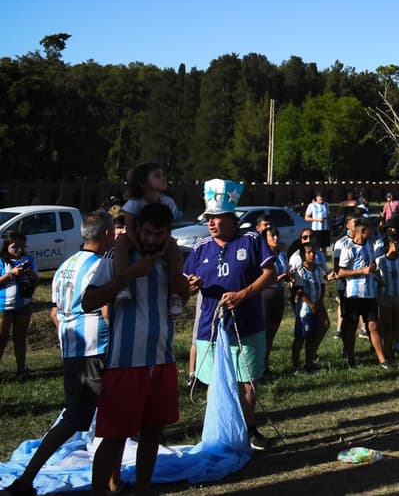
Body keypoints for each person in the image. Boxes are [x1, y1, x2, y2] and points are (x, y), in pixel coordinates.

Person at [4, 213, 122, 496]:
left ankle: (26, 479)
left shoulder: (64, 266)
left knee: (72, 418)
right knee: (113, 419)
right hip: (97, 349)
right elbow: (106, 310)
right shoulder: (102, 266)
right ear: (106, 234)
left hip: (72, 350)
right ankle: (110, 484)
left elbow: (55, 312)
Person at [82, 202, 180, 496]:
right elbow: (88, 302)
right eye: (147, 233)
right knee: (114, 436)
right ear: (138, 230)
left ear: (167, 234)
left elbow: (178, 302)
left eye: (158, 234)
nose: (151, 240)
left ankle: (142, 489)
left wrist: (186, 288)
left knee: (153, 431)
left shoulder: (170, 261)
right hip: (125, 364)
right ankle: (100, 491)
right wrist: (127, 277)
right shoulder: (116, 259)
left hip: (163, 359)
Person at [182, 179, 278, 452]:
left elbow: (269, 274)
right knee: (214, 382)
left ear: (230, 217)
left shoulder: (251, 241)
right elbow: (183, 284)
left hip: (245, 325)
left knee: (245, 381)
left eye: (216, 218)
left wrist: (243, 294)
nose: (211, 223)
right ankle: (216, 434)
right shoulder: (200, 247)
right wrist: (189, 287)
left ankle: (248, 431)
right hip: (209, 328)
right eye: (208, 218)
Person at [113, 163, 187, 318]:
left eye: (163, 175)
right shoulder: (134, 203)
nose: (163, 178)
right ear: (143, 183)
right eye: (157, 176)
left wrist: (162, 249)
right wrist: (139, 249)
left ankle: (175, 295)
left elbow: (168, 230)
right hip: (135, 238)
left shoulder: (168, 203)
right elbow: (131, 229)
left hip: (161, 239)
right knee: (121, 242)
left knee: (175, 249)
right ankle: (122, 283)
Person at [334, 217, 391, 369]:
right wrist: (361, 271)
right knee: (351, 328)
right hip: (353, 295)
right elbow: (339, 272)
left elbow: (371, 267)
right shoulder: (348, 248)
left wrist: (377, 276)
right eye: (371, 230)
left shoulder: (370, 246)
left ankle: (382, 359)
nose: (373, 233)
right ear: (363, 231)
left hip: (370, 294)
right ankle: (351, 359)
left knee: (373, 326)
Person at [0, 232, 37, 378]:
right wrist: (10, 274)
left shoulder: (29, 259)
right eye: (15, 247)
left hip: (23, 305)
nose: (19, 250)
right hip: (3, 306)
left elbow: (37, 280)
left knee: (20, 338)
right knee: (1, 339)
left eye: (22, 246)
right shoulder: (2, 261)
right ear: (7, 246)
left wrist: (30, 274)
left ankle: (22, 369)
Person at [290, 243, 325, 374]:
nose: (312, 255)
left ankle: (309, 363)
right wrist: (311, 304)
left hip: (316, 308)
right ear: (303, 255)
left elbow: (323, 286)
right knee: (300, 337)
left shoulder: (317, 270)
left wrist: (319, 303)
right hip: (304, 311)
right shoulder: (300, 271)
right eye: (309, 252)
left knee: (312, 337)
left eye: (314, 252)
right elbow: (299, 291)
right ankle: (295, 365)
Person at [260, 226, 291, 377]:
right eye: (272, 236)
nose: (276, 239)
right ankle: (259, 366)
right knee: (264, 331)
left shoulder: (282, 255)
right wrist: (276, 278)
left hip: (279, 293)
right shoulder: (261, 256)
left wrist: (288, 276)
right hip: (266, 294)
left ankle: (265, 363)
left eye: (277, 235)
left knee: (273, 330)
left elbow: (286, 270)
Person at [376, 233, 399, 354]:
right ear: (389, 244)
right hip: (386, 296)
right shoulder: (381, 261)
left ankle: (396, 343)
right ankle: (387, 351)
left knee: (398, 324)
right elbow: (377, 278)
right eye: (397, 243)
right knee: (387, 325)